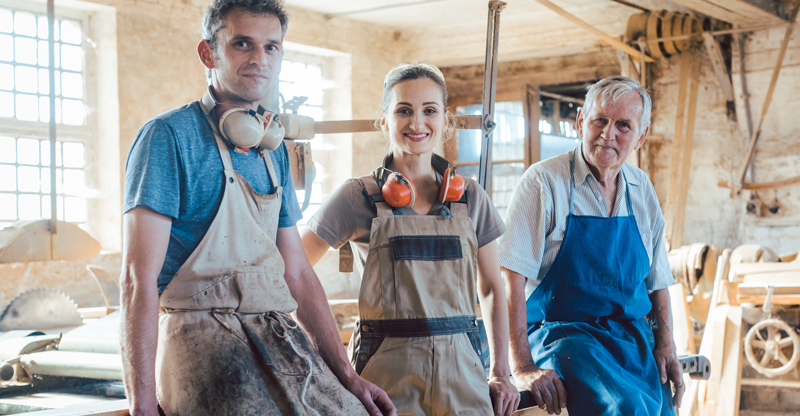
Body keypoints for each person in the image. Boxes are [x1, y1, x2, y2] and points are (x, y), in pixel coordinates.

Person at [119, 1, 396, 415]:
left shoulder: (273, 150)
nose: (259, 59)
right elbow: (137, 280)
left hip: (274, 332)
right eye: (242, 44)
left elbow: (298, 273)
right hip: (201, 339)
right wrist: (141, 406)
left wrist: (348, 377)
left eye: (272, 47)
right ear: (208, 53)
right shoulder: (168, 137)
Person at [300, 62, 520, 416]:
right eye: (403, 110)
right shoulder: (357, 197)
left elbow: (493, 287)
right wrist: (337, 365)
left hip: (465, 374)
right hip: (385, 378)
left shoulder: (470, 198)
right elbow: (291, 271)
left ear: (445, 119)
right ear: (384, 120)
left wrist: (500, 371)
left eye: (429, 110)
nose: (417, 123)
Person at [499, 76, 685, 415]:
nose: (608, 133)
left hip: (632, 341)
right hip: (564, 336)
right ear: (581, 121)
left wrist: (666, 345)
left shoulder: (641, 189)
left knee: (662, 409)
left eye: (623, 125)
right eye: (600, 120)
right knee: (621, 406)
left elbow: (657, 281)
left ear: (640, 136)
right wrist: (522, 366)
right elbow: (510, 280)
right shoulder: (543, 182)